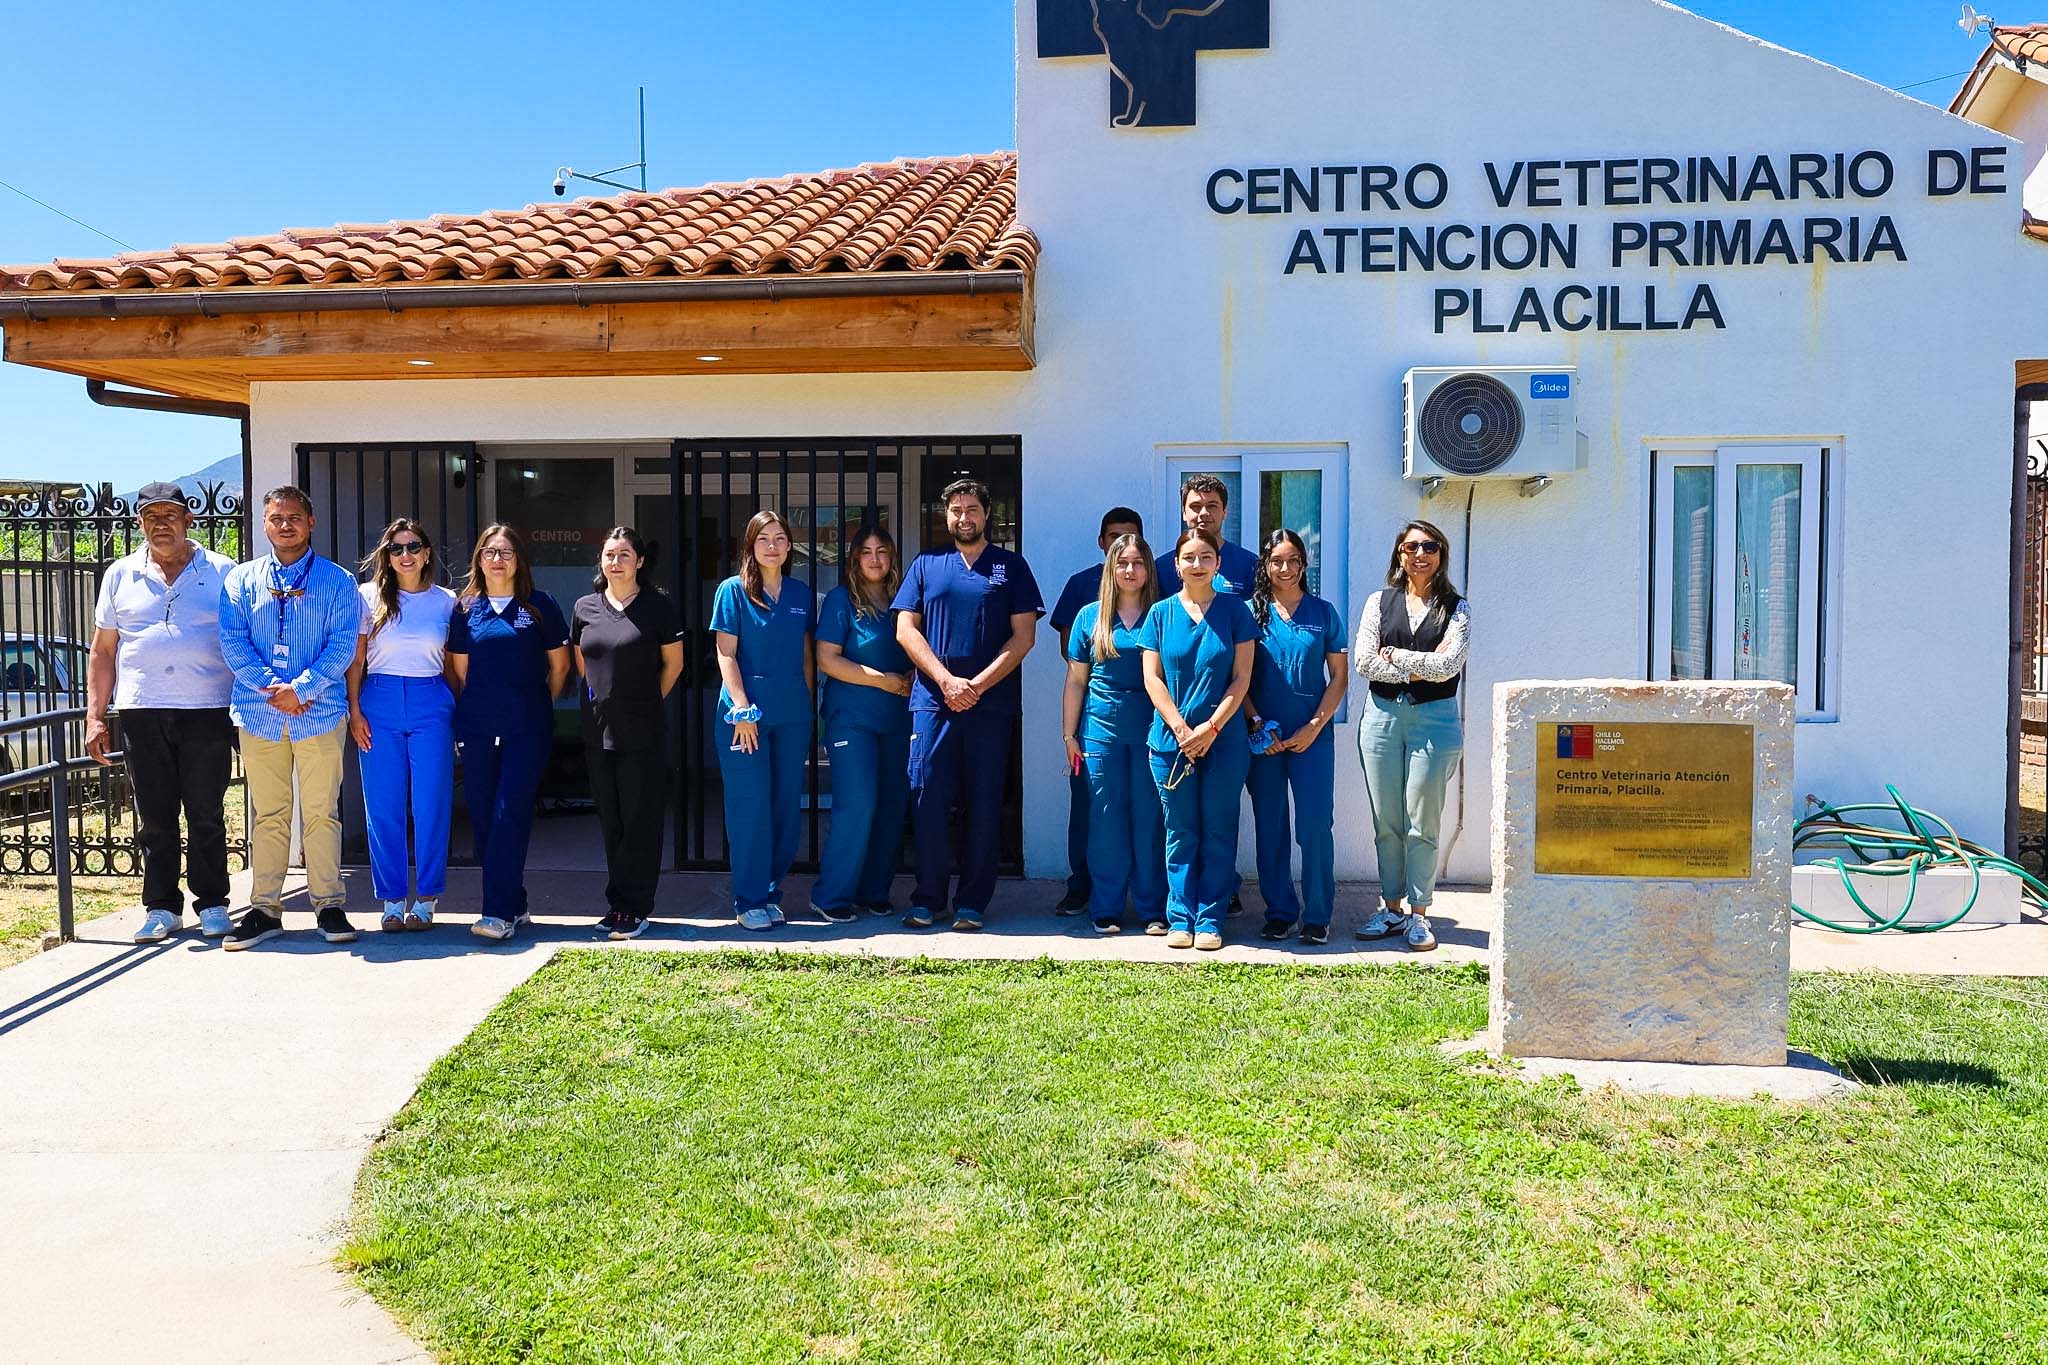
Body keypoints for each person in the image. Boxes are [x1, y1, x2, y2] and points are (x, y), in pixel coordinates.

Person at [84, 482, 238, 944]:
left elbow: (244, 639)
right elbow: (103, 650)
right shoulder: (120, 574)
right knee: (154, 815)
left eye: (170, 515)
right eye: (151, 517)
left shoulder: (222, 571)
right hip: (141, 709)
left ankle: (212, 904)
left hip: (207, 708)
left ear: (188, 520)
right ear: (140, 523)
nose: (161, 524)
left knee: (206, 811)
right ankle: (162, 907)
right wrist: (95, 716)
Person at [893, 479, 1043, 931]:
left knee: (984, 802)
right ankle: (928, 898)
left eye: (972, 509)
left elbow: (1024, 637)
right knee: (927, 796)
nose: (964, 517)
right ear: (946, 516)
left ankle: (972, 903)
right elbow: (905, 630)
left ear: (987, 514)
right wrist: (945, 681)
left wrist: (975, 686)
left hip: (989, 706)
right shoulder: (926, 564)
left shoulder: (1011, 567)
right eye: (956, 510)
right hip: (932, 704)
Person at [217, 485, 361, 950]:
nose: (285, 525)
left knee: (321, 812)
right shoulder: (240, 581)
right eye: (276, 518)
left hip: (319, 714)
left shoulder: (338, 582)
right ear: (264, 524)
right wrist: (271, 687)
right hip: (259, 715)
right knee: (269, 814)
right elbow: (233, 641)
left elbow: (342, 645)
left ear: (310, 522)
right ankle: (264, 909)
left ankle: (329, 904)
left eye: (294, 517)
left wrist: (301, 689)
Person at [447, 525, 571, 942]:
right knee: (483, 818)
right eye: (489, 552)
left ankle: (497, 913)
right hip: (478, 728)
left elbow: (559, 667)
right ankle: (515, 902)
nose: (497, 560)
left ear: (519, 560)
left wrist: (534, 704)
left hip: (527, 729)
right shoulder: (466, 608)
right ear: (478, 560)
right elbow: (460, 672)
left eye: (505, 552)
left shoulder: (539, 605)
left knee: (509, 813)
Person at [1354, 519, 1470, 953]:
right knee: (1387, 820)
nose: (1420, 554)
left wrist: (1396, 656)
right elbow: (1364, 662)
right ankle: (1391, 908)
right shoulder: (1378, 602)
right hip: (1381, 718)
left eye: (1430, 546)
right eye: (1411, 547)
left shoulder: (1457, 608)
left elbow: (1449, 666)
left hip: (1435, 721)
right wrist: (1419, 666)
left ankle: (1420, 914)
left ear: (1441, 554)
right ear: (1399, 555)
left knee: (1423, 820)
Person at [1140, 528, 1256, 950]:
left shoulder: (1236, 612)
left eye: (1206, 557)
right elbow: (1152, 678)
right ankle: (1180, 919)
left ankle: (1209, 920)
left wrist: (1211, 728)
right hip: (1171, 743)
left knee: (1218, 830)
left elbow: (1242, 679)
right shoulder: (1160, 614)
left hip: (1223, 741)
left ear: (1218, 563)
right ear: (1176, 565)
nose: (1197, 564)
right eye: (1189, 557)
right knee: (1180, 831)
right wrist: (1181, 729)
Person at [572, 526, 684, 941]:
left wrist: (645, 701)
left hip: (643, 731)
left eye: (624, 554)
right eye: (609, 555)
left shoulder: (659, 607)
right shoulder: (585, 607)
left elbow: (674, 665)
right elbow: (582, 662)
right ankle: (616, 902)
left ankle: (635, 907)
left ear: (639, 561)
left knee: (640, 820)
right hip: (598, 731)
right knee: (612, 819)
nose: (616, 562)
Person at [346, 519, 457, 933]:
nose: (405, 555)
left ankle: (426, 898)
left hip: (431, 699)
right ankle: (392, 900)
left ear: (426, 553)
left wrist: (455, 710)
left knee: (431, 804)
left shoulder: (446, 601)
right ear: (387, 557)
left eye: (413, 547)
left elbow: (454, 664)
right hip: (379, 700)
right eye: (396, 549)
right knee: (383, 805)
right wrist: (355, 710)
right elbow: (356, 659)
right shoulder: (367, 596)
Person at [1245, 529, 1349, 945]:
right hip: (1264, 739)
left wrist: (1315, 725)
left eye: (1293, 560)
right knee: (1271, 827)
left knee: (1314, 825)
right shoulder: (1250, 614)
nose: (1285, 568)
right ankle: (1280, 912)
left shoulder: (1323, 613)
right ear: (1265, 566)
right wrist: (1257, 723)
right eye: (1276, 561)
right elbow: (1238, 678)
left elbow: (1338, 678)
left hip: (1313, 739)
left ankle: (1318, 914)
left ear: (1304, 564)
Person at [712, 510, 815, 932]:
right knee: (750, 806)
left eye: (780, 539)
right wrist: (741, 708)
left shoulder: (801, 594)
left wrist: (809, 707)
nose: (772, 546)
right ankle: (749, 898)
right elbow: (726, 653)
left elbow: (806, 656)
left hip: (792, 714)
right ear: (750, 546)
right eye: (763, 539)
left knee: (786, 807)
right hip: (744, 718)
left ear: (790, 546)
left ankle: (771, 892)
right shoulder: (732, 591)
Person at [1062, 531, 1166, 936]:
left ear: (1148, 569)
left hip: (1151, 730)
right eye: (1122, 563)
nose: (1130, 570)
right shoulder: (1089, 617)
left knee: (1149, 817)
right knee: (1105, 818)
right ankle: (1106, 907)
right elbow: (1076, 681)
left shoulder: (1163, 613)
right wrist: (1069, 735)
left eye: (1138, 563)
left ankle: (1153, 908)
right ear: (1111, 567)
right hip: (1100, 732)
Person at [810, 525, 913, 922]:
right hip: (852, 719)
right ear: (854, 559)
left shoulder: (903, 601)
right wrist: (883, 680)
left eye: (881, 551)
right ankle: (832, 895)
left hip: (897, 719)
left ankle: (874, 891)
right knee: (858, 803)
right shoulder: (841, 600)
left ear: (891, 558)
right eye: (866, 551)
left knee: (890, 805)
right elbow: (827, 659)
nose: (874, 558)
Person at [1046, 506, 1145, 915]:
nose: (1125, 558)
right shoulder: (1082, 590)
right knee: (1093, 810)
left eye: (1130, 538)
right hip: (1098, 721)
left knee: (1146, 813)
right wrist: (1071, 732)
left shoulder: (1158, 597)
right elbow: (1074, 664)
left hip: (1145, 723)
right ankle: (1084, 888)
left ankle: (1148, 900)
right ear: (1102, 542)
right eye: (1114, 538)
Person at [1154, 474, 1259, 598]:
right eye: (1196, 507)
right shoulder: (1162, 567)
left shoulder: (1249, 564)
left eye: (1212, 506)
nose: (1204, 513)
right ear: (1184, 513)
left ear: (1224, 512)